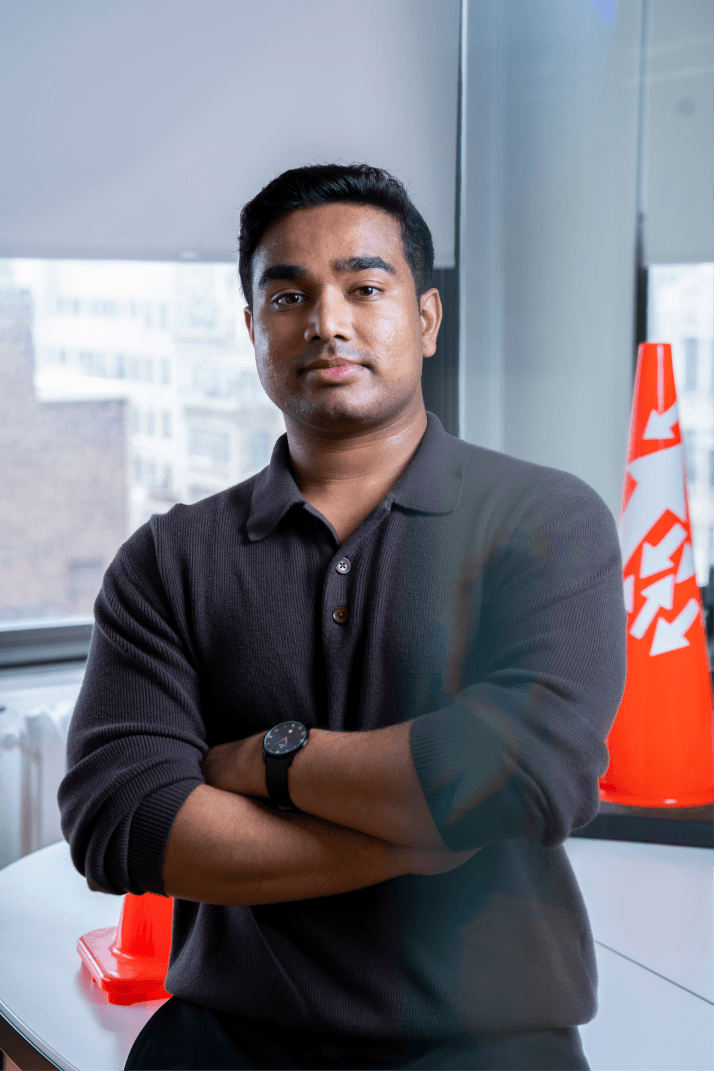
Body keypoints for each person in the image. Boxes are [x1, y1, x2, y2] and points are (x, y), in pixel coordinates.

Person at [59, 163, 626, 1071]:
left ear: (427, 319)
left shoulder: (544, 520)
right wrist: (429, 837)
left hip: (489, 1044)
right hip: (226, 1041)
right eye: (288, 295)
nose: (327, 321)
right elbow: (121, 820)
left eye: (365, 286)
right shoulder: (169, 559)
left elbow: (529, 773)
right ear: (252, 330)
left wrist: (266, 759)